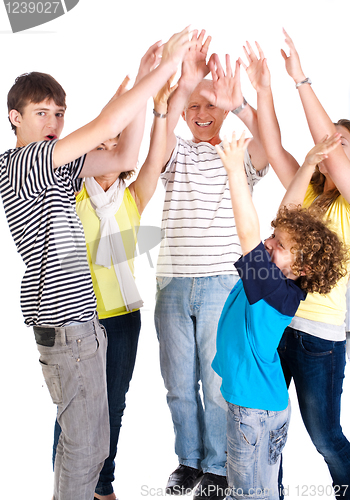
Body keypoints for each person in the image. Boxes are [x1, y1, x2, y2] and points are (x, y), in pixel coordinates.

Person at [0, 27, 193, 500]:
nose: (53, 120)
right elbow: (107, 128)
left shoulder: (58, 165)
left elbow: (125, 152)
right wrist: (161, 71)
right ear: (14, 118)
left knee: (91, 445)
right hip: (64, 325)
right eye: (41, 112)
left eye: (59, 113)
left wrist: (148, 86)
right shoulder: (21, 163)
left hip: (86, 324)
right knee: (85, 449)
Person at [154, 30, 272, 500]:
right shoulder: (176, 153)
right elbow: (156, 147)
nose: (203, 115)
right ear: (183, 113)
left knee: (217, 379)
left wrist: (242, 102)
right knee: (179, 385)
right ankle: (189, 460)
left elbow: (270, 142)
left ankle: (219, 468)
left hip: (224, 283)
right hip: (173, 286)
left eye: (212, 106)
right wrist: (182, 83)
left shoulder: (236, 154)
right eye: (193, 108)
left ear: (223, 109)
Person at [52, 75, 177, 500]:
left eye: (114, 148)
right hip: (79, 319)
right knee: (74, 413)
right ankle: (68, 488)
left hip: (123, 319)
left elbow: (155, 156)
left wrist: (156, 108)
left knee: (112, 407)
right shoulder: (69, 196)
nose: (107, 154)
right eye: (99, 148)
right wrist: (125, 98)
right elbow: (103, 127)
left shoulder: (132, 196)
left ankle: (102, 486)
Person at [240, 32, 350, 497]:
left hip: (320, 337)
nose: (330, 149)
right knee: (270, 425)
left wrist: (301, 79)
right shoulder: (307, 189)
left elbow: (329, 148)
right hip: (279, 323)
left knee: (323, 435)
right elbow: (275, 143)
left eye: (341, 145)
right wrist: (255, 96)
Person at [212, 131, 347, 500]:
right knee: (259, 490)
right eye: (273, 237)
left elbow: (248, 232)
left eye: (280, 246)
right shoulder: (282, 281)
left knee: (249, 494)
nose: (269, 243)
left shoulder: (273, 290)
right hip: (256, 409)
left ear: (301, 266)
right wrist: (306, 164)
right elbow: (285, 216)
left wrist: (235, 174)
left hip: (252, 414)